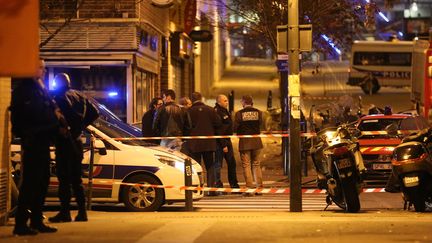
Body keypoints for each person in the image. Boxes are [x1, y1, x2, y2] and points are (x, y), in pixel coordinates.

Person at [10, 59, 60, 235]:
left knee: (42, 182)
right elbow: (26, 118)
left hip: (43, 142)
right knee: (30, 184)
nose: (44, 72)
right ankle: (21, 223)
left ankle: (37, 220)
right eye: (41, 68)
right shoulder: (25, 91)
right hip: (34, 142)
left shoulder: (39, 89)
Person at [48, 73, 99, 223]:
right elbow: (95, 112)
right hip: (77, 141)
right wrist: (81, 126)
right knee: (76, 179)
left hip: (64, 141)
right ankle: (82, 212)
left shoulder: (60, 97)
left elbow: (66, 114)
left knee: (64, 179)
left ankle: (65, 212)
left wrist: (67, 127)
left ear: (58, 84)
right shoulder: (79, 95)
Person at [188, 92, 222, 195]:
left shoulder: (189, 111)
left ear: (192, 100)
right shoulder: (210, 110)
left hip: (194, 143)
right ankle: (211, 189)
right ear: (201, 98)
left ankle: (198, 188)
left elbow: (186, 126)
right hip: (208, 143)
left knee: (196, 166)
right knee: (210, 166)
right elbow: (218, 123)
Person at [233, 95, 264, 196]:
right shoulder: (258, 112)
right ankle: (259, 187)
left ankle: (249, 188)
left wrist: (238, 133)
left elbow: (235, 127)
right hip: (256, 141)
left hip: (245, 142)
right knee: (256, 164)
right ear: (252, 102)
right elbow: (261, 124)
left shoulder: (239, 114)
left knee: (246, 165)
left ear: (243, 102)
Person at [214, 94, 239, 189]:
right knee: (218, 164)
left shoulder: (224, 111)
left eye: (227, 100)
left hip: (226, 140)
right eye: (225, 101)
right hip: (220, 142)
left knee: (232, 163)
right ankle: (217, 185)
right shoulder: (217, 112)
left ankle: (234, 184)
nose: (227, 102)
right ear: (219, 102)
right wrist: (223, 144)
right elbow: (218, 130)